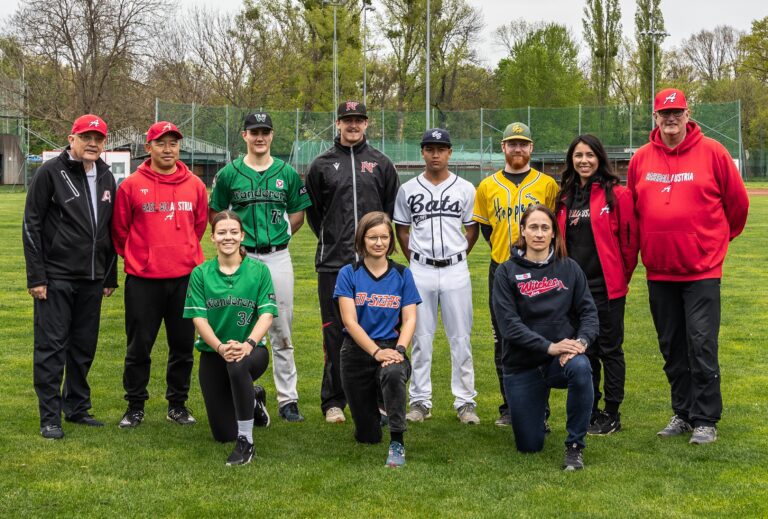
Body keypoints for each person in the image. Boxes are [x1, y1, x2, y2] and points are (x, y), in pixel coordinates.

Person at [627, 88, 749, 444]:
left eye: (676, 112)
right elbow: (635, 210)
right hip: (660, 270)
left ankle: (706, 419)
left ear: (687, 113)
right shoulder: (642, 158)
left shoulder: (713, 152)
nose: (671, 119)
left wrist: (712, 243)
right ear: (655, 117)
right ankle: (681, 412)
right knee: (672, 346)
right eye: (664, 113)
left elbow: (737, 206)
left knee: (701, 345)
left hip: (701, 271)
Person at [209, 112, 311, 423]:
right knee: (240, 323)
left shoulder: (287, 173)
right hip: (243, 257)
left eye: (265, 131)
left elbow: (297, 213)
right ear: (244, 135)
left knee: (281, 327)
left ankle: (287, 399)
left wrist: (280, 238)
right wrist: (234, 243)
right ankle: (246, 391)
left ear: (271, 135)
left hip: (278, 256)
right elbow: (216, 213)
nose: (260, 137)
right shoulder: (229, 174)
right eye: (254, 131)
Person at [23, 114, 118, 439]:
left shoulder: (106, 176)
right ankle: (50, 416)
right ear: (71, 138)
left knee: (83, 346)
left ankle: (76, 407)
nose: (93, 143)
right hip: (56, 277)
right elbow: (31, 224)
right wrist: (37, 276)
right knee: (51, 347)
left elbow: (109, 231)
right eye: (86, 137)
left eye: (99, 138)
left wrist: (108, 276)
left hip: (91, 279)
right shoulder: (50, 172)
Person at [306, 101, 400, 424]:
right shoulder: (321, 165)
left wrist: (372, 249)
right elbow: (314, 214)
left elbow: (386, 212)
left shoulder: (381, 164)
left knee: (376, 328)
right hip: (333, 264)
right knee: (335, 332)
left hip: (372, 267)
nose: (353, 125)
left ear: (366, 123)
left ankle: (376, 397)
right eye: (347, 120)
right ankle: (333, 400)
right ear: (338, 123)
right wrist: (334, 238)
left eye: (358, 120)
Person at [112, 121, 208, 429]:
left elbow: (199, 227)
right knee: (139, 346)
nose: (168, 149)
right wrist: (143, 258)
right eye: (161, 143)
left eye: (173, 143)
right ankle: (135, 405)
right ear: (148, 147)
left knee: (182, 346)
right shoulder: (130, 185)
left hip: (185, 279)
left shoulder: (194, 184)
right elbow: (120, 231)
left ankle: (177, 404)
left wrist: (180, 254)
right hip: (143, 280)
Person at [493, 204, 598, 470]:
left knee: (582, 366)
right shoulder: (506, 272)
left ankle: (574, 447)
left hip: (559, 362)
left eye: (545, 228)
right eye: (533, 227)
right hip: (522, 363)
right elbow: (509, 326)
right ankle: (535, 416)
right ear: (523, 232)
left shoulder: (570, 268)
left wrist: (580, 344)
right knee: (529, 446)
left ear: (553, 234)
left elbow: (589, 314)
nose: (539, 233)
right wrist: (549, 346)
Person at [472, 122, 559, 427]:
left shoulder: (547, 184)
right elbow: (486, 228)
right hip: (501, 270)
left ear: (531, 148)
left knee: (540, 338)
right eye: (512, 144)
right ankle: (510, 407)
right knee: (505, 341)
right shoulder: (487, 185)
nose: (518, 149)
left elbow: (553, 228)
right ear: (503, 148)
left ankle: (540, 411)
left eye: (523, 144)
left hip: (539, 270)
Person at [393, 128, 480, 425]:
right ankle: (420, 400)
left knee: (461, 338)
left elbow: (472, 228)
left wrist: (459, 255)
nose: (435, 154)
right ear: (422, 152)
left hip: (456, 269)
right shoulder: (408, 189)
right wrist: (414, 260)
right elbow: (401, 230)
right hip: (420, 269)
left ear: (450, 152)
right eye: (429, 148)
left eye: (440, 149)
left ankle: (465, 402)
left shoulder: (466, 188)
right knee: (420, 337)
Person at [556, 135, 638, 435]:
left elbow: (629, 244)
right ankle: (590, 409)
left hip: (607, 289)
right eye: (578, 155)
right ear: (571, 160)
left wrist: (619, 278)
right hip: (574, 292)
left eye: (589, 155)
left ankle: (612, 413)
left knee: (610, 350)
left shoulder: (617, 194)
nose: (584, 161)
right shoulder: (564, 196)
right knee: (583, 351)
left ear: (600, 158)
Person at [184, 211, 277, 465]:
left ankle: (246, 441)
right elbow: (199, 319)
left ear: (242, 236)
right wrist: (220, 347)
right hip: (214, 353)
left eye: (234, 232)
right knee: (223, 434)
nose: (228, 237)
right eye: (222, 232)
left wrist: (247, 345)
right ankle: (254, 398)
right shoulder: (201, 273)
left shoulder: (258, 271)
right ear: (212, 237)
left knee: (237, 367)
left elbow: (267, 315)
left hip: (252, 352)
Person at [334, 211, 421, 467]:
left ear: (391, 240)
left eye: (384, 237)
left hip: (391, 348)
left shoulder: (403, 274)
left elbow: (410, 319)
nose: (379, 243)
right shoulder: (348, 273)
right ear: (362, 240)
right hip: (357, 351)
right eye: (373, 237)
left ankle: (397, 441)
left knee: (393, 374)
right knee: (367, 436)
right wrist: (375, 352)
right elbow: (350, 322)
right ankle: (376, 414)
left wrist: (400, 350)